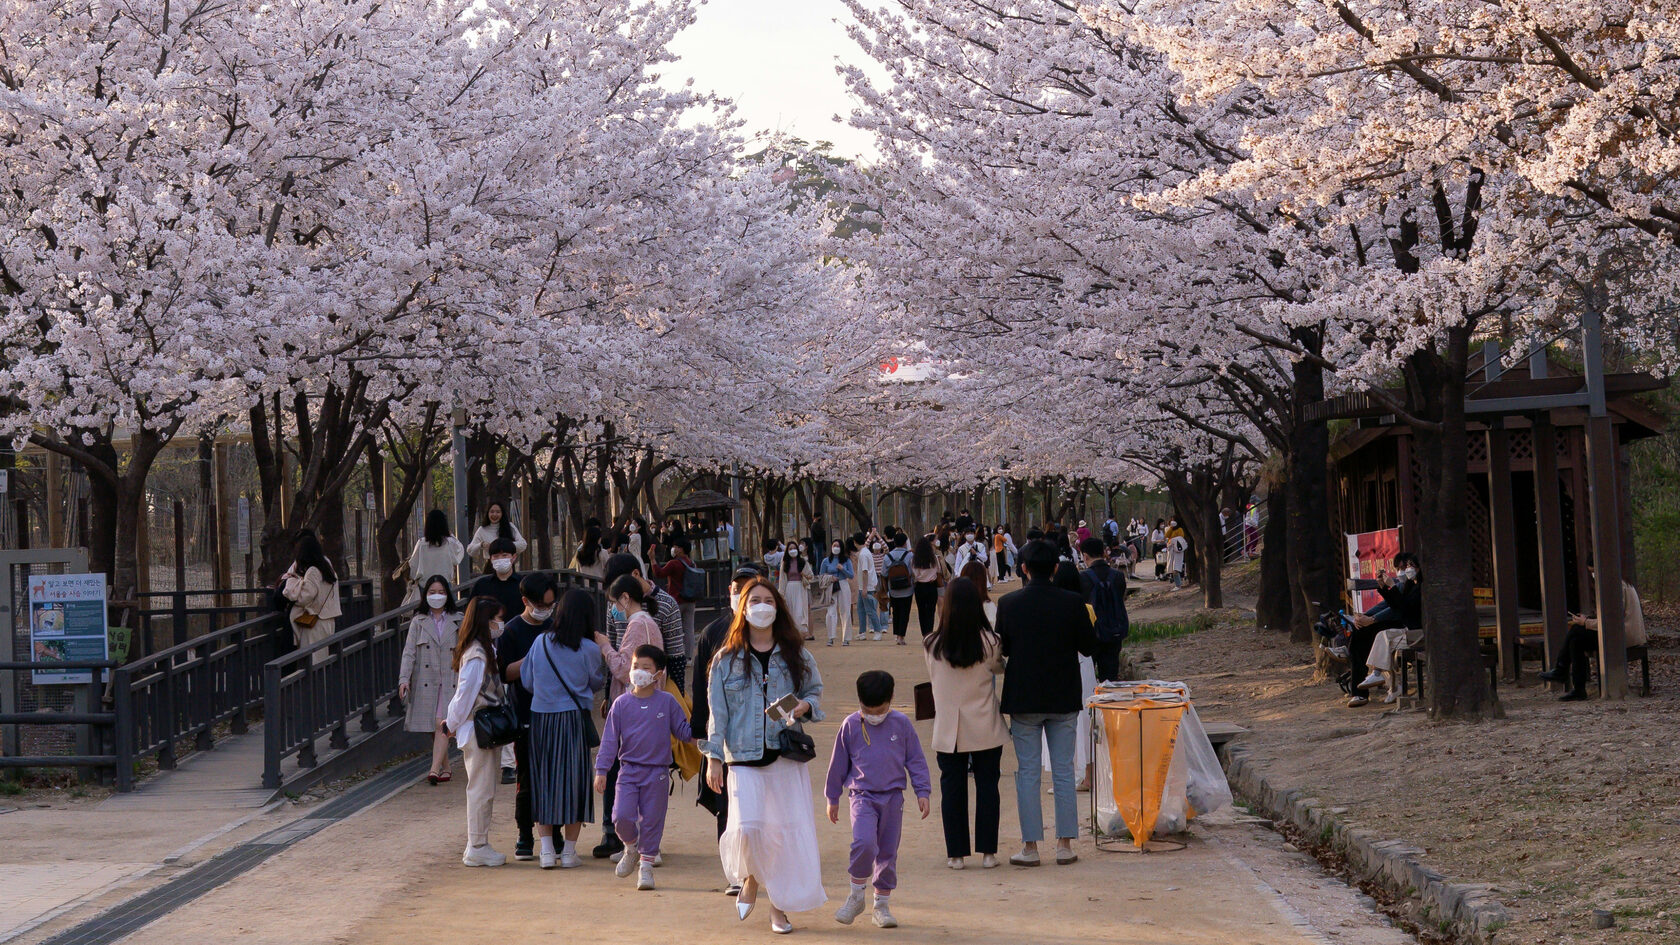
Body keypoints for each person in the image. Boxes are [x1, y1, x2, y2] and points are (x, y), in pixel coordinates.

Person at [702, 578, 826, 934]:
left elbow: (815, 693)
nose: (760, 606)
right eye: (753, 600)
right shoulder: (725, 660)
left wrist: (805, 706)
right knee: (748, 828)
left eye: (767, 600)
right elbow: (717, 713)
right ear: (741, 607)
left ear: (778, 606)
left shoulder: (796, 652)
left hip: (784, 756)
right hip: (742, 756)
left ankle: (779, 908)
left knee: (782, 834)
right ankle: (751, 876)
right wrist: (713, 757)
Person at [996, 540, 1097, 867]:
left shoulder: (1009, 603)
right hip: (1063, 695)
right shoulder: (1073, 603)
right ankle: (1064, 844)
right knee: (1064, 770)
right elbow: (1088, 646)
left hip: (1024, 697)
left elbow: (1005, 649)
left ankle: (1030, 847)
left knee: (1028, 771)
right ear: (1055, 568)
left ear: (1023, 568)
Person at [507, 588, 607, 869]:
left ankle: (547, 851)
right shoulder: (589, 648)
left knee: (544, 780)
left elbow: (527, 680)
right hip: (573, 719)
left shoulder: (540, 643)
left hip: (541, 719)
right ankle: (569, 852)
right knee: (575, 782)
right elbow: (596, 682)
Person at [597, 553, 687, 858]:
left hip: (636, 707)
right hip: (655, 705)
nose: (612, 610)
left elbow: (624, 668)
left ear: (624, 598)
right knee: (651, 783)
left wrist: (604, 647)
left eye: (614, 603)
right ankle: (647, 846)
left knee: (632, 779)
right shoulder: (650, 621)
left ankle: (639, 846)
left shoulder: (636, 626)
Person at [824, 671, 930, 929]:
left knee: (887, 852)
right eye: (867, 710)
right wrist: (832, 797)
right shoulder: (850, 725)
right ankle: (856, 895)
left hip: (893, 797)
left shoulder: (901, 724)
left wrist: (922, 791)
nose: (874, 714)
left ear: (891, 700)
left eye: (879, 709)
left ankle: (881, 905)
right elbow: (837, 763)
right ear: (859, 702)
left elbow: (915, 759)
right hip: (862, 796)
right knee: (864, 842)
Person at [922, 576, 1006, 872]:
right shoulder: (991, 642)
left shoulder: (931, 644)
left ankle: (956, 854)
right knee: (988, 788)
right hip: (984, 724)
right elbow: (998, 668)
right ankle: (988, 853)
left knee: (952, 790)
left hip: (948, 729)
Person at [594, 645, 693, 890]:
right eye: (636, 666)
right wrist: (601, 770)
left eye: (645, 668)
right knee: (621, 816)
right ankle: (631, 847)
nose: (638, 671)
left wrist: (704, 733)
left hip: (657, 772)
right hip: (628, 770)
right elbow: (609, 740)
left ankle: (646, 867)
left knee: (652, 820)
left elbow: (683, 731)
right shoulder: (620, 704)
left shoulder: (667, 702)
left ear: (658, 674)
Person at [694, 567, 764, 869]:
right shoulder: (713, 634)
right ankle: (734, 870)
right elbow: (700, 685)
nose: (740, 594)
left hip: (763, 735)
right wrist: (701, 731)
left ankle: (761, 864)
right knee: (725, 803)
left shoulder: (772, 634)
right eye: (736, 588)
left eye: (747, 588)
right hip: (724, 736)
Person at [493, 571, 558, 861]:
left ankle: (555, 832)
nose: (547, 610)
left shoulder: (557, 626)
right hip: (525, 712)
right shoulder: (511, 631)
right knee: (527, 777)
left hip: (556, 712)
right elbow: (505, 673)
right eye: (542, 605)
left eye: (551, 604)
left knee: (555, 776)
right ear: (525, 601)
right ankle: (524, 834)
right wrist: (534, 655)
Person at [442, 596, 507, 866]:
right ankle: (478, 844)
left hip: (479, 727)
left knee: (483, 787)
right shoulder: (478, 654)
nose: (500, 624)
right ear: (486, 621)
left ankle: (477, 843)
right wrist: (451, 723)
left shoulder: (481, 650)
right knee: (481, 788)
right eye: (497, 619)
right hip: (478, 728)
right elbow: (465, 695)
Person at [1541, 569, 1647, 702]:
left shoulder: (1617, 585)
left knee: (1576, 630)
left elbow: (1612, 621)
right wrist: (1588, 620)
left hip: (1624, 635)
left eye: (1594, 572)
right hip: (1621, 632)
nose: (1593, 577)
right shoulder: (1622, 582)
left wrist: (1586, 622)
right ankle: (1577, 688)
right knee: (1576, 641)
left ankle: (1561, 670)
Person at [401, 575, 460, 784]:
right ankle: (445, 766)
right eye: (432, 592)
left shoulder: (457, 619)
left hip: (450, 678)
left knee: (440, 723)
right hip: (426, 679)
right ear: (426, 596)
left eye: (441, 592)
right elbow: (409, 652)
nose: (437, 596)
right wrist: (404, 679)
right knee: (434, 726)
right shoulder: (418, 621)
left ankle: (434, 769)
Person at [1346, 552, 1423, 707]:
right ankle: (1361, 690)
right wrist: (1367, 615)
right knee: (1359, 632)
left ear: (1419, 568)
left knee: (1376, 634)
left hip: (1405, 625)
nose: (1403, 570)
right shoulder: (1407, 584)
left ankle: (1379, 675)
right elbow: (1389, 605)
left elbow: (1400, 609)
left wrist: (1372, 619)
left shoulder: (1418, 586)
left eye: (1408, 566)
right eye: (1401, 567)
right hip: (1400, 623)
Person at [1050, 561, 1099, 793]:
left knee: (1063, 720)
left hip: (1064, 664)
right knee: (1087, 719)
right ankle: (1089, 775)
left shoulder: (1054, 607)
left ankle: (1066, 775)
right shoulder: (1086, 607)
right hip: (1085, 664)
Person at [281, 530, 341, 662]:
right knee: (322, 660)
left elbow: (304, 598)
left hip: (314, 623)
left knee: (312, 662)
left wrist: (292, 582)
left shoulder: (313, 571)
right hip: (327, 619)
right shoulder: (327, 567)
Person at [1078, 538, 1129, 682]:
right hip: (1115, 631)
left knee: (1088, 678)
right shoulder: (1118, 576)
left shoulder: (1082, 578)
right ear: (1104, 553)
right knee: (1110, 678)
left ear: (1085, 556)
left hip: (1092, 633)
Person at [652, 537, 701, 663]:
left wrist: (652, 559)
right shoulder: (692, 563)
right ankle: (689, 657)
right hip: (690, 601)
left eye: (676, 547)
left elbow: (659, 573)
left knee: (673, 629)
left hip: (676, 601)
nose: (673, 549)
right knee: (689, 629)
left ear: (681, 549)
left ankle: (674, 655)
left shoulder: (674, 563)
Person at [405, 510, 464, 603]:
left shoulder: (421, 543)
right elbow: (459, 553)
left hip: (425, 587)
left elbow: (413, 566)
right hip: (445, 586)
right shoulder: (449, 543)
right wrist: (451, 535)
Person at [473, 538, 524, 627]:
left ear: (514, 557)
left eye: (505, 555)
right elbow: (472, 613)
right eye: (496, 556)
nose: (500, 559)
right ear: (490, 559)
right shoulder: (482, 585)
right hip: (488, 635)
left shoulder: (523, 584)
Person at [466, 500, 527, 569]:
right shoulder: (482, 529)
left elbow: (523, 544)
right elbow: (470, 550)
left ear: (502, 514)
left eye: (498, 512)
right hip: (490, 566)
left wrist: (506, 545)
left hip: (507, 565)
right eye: (492, 512)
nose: (494, 515)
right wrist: (481, 544)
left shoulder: (510, 526)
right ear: (488, 513)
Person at [880, 534, 916, 645]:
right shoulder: (910, 556)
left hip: (893, 590)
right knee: (905, 613)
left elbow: (884, 573)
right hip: (907, 589)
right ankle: (901, 637)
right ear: (905, 543)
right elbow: (912, 572)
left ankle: (896, 635)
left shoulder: (887, 556)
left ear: (894, 543)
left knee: (896, 612)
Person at [820, 539, 856, 646]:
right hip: (831, 586)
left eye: (838, 546)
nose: (836, 548)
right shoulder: (826, 561)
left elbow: (851, 575)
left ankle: (846, 638)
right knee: (831, 612)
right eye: (834, 545)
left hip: (843, 584)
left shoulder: (846, 560)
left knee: (845, 610)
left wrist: (842, 569)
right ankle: (830, 637)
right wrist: (830, 578)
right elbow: (821, 575)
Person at [779, 539, 813, 640]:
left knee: (799, 613)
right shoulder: (785, 563)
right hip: (789, 589)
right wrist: (781, 594)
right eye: (790, 549)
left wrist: (803, 574)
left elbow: (811, 575)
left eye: (794, 548)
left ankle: (800, 634)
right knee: (790, 612)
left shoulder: (802, 562)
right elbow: (782, 580)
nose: (793, 550)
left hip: (800, 588)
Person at [910, 536, 942, 639]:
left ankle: (924, 634)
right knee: (931, 610)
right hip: (932, 586)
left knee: (922, 610)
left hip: (919, 586)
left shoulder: (914, 559)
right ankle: (929, 632)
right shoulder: (934, 558)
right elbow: (938, 571)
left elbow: (914, 574)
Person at [854, 534, 882, 642]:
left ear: (855, 543)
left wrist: (865, 589)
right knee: (860, 609)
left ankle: (878, 631)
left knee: (870, 610)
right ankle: (862, 632)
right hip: (863, 586)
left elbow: (865, 572)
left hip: (867, 586)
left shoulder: (863, 555)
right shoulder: (864, 552)